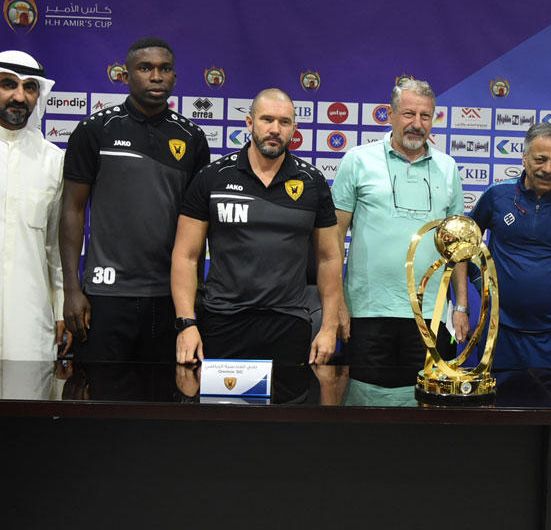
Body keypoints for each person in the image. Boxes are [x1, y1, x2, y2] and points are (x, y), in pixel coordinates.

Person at [60, 37, 210, 362]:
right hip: (107, 293)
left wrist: (195, 290)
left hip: (169, 294)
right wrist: (71, 289)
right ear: (125, 76)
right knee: (101, 390)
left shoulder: (192, 138)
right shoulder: (95, 130)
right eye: (145, 68)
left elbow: (198, 224)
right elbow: (72, 208)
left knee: (167, 391)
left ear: (174, 78)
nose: (156, 76)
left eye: (164, 69)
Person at [172, 89, 342, 364]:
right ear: (250, 123)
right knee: (218, 396)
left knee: (291, 395)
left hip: (288, 323)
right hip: (223, 321)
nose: (275, 129)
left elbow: (329, 258)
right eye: (267, 120)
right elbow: (185, 256)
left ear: (294, 129)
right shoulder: (213, 178)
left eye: (284, 122)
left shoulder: (313, 182)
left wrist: (329, 327)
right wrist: (186, 323)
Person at [332, 79, 468, 370]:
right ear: (390, 114)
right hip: (367, 314)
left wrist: (461, 306)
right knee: (363, 396)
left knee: (427, 399)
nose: (417, 124)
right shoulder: (357, 161)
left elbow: (457, 245)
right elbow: (333, 238)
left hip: (432, 315)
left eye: (425, 116)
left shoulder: (448, 168)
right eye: (408, 114)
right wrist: (337, 304)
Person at [465, 122, 551, 369]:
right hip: (499, 330)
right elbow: (463, 245)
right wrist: (482, 284)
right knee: (496, 394)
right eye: (540, 159)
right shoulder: (496, 195)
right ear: (524, 158)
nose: (548, 169)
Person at [0, 50, 69, 360]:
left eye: (29, 87)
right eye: (8, 84)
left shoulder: (53, 161)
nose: (19, 96)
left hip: (30, 319)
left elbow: (56, 248)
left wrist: (61, 308)